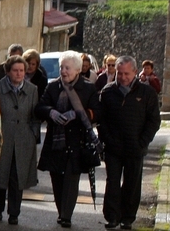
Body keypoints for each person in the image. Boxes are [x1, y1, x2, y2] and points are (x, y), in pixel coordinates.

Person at [35, 50, 102, 229]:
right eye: (62, 67)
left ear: (78, 70)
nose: (63, 71)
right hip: (56, 141)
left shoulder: (88, 88)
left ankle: (66, 215)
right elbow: (40, 107)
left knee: (71, 179)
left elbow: (97, 112)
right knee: (56, 178)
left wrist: (79, 114)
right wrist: (51, 112)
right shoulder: (53, 87)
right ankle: (61, 211)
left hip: (77, 141)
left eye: (68, 68)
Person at [98, 56, 160, 230]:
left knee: (132, 183)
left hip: (135, 147)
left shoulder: (147, 93)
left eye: (126, 73)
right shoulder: (108, 92)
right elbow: (101, 121)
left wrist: (142, 142)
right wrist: (107, 140)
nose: (123, 77)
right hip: (113, 147)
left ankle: (127, 218)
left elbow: (153, 121)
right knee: (113, 181)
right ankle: (112, 217)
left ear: (134, 72)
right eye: (120, 73)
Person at [0, 56, 40, 226]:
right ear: (8, 71)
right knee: (1, 174)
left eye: (22, 71)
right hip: (3, 137)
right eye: (15, 70)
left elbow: (35, 116)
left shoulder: (32, 89)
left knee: (18, 177)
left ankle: (14, 213)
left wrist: (33, 136)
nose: (19, 74)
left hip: (24, 138)